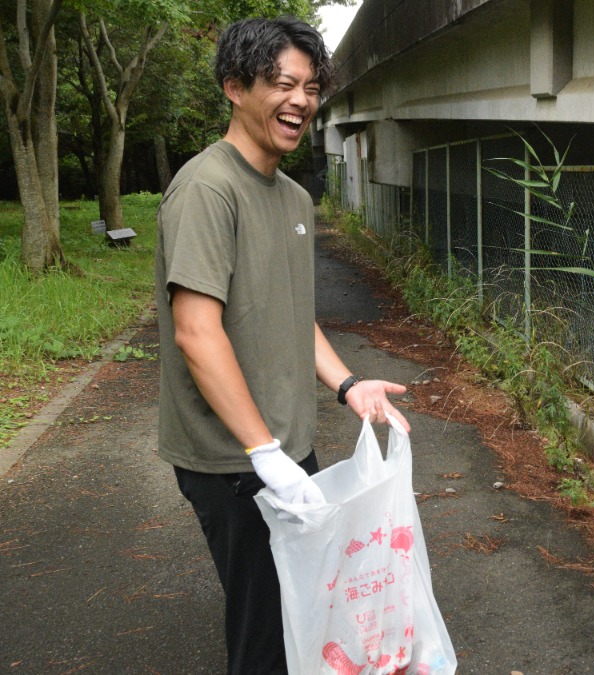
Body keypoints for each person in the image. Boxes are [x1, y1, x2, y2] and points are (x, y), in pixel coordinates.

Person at [154, 17, 409, 674]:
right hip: (233, 460)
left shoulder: (294, 196)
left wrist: (349, 384)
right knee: (266, 630)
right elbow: (195, 330)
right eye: (282, 83)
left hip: (287, 449)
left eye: (311, 86)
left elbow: (295, 315)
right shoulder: (207, 188)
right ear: (235, 87)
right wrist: (261, 452)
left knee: (307, 613)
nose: (301, 99)